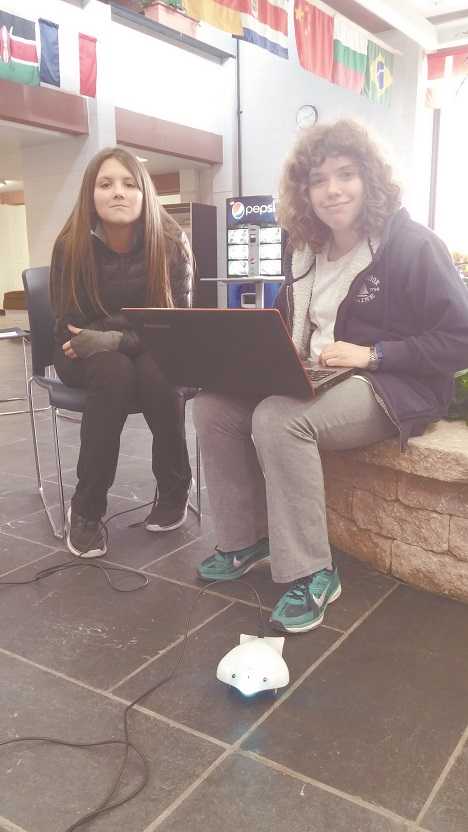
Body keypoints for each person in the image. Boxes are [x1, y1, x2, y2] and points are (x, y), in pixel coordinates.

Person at [193, 119, 468, 634]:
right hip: (314, 376)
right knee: (209, 407)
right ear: (305, 191)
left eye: (346, 174)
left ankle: (311, 571)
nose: (332, 190)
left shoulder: (411, 245)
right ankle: (245, 539)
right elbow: (284, 325)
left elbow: (460, 337)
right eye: (319, 179)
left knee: (278, 419)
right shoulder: (305, 251)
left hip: (390, 384)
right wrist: (252, 359)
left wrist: (375, 355)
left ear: (371, 179)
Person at [50, 147, 194, 559]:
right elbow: (72, 330)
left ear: (145, 192)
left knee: (156, 372)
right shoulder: (70, 245)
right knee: (114, 373)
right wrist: (126, 334)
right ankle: (87, 509)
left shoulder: (170, 241)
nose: (119, 192)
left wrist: (113, 336)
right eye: (106, 184)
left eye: (130, 184)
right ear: (90, 194)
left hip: (152, 351)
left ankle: (173, 488)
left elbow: (177, 328)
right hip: (83, 353)